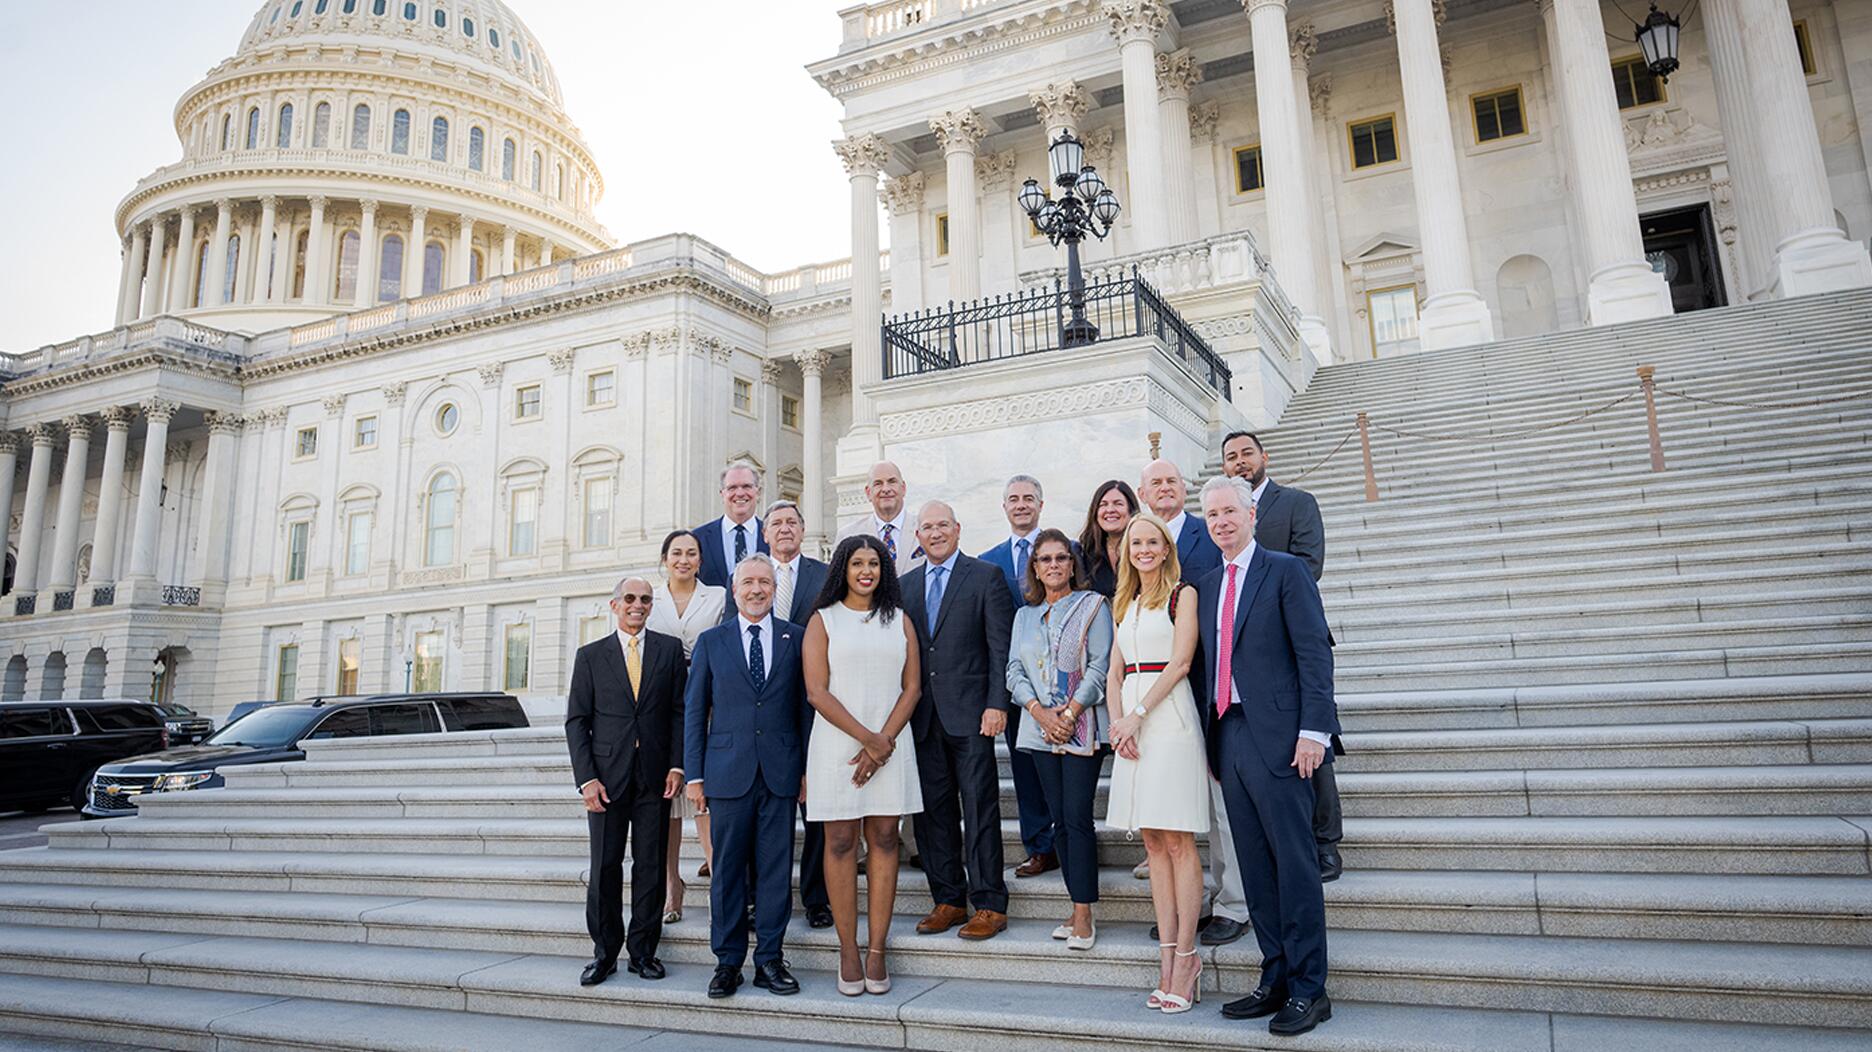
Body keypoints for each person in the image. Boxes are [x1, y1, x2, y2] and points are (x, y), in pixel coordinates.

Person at [1196, 475, 1338, 1036]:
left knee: (1295, 866)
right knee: (1254, 867)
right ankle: (1274, 976)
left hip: (1281, 740)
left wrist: (1314, 732)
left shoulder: (1285, 570)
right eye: (1212, 516)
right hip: (1229, 739)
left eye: (1229, 512)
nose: (1221, 522)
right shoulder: (1206, 585)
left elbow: (1314, 652)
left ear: (1251, 514)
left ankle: (1310, 989)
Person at [801, 534, 923, 996]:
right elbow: (817, 691)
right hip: (838, 744)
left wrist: (882, 742)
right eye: (857, 563)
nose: (866, 570)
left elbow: (911, 688)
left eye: (874, 563)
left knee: (886, 837)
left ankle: (877, 949)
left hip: (890, 740)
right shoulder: (823, 620)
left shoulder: (900, 621)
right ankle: (847, 950)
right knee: (839, 841)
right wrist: (867, 740)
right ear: (843, 570)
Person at [683, 554, 809, 999]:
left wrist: (806, 771)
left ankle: (770, 960)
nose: (756, 590)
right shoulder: (711, 642)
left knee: (775, 871)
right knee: (728, 872)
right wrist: (694, 775)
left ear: (775, 589)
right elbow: (695, 711)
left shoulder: (796, 638)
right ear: (734, 590)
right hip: (726, 773)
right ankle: (727, 962)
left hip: (780, 773)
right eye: (748, 583)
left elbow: (804, 711)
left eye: (765, 583)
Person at [1223, 429, 1342, 882]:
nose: (1239, 462)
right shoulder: (1225, 514)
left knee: (1316, 741)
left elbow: (1310, 564)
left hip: (1292, 635)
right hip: (1246, 648)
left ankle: (1326, 842)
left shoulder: (1296, 502)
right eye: (1231, 457)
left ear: (1264, 456)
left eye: (1246, 453)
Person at [1104, 516, 1209, 1012]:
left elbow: (1182, 662)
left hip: (1168, 718)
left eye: (1152, 542)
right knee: (1151, 840)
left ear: (1166, 548)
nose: (1144, 549)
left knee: (1177, 838)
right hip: (1131, 722)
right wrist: (1118, 720)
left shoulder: (1181, 594)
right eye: (1136, 543)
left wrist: (1139, 716)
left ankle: (1187, 956)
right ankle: (1166, 954)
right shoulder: (1121, 600)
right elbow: (1113, 670)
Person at [901, 500, 1015, 941]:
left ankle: (989, 902)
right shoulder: (905, 586)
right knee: (934, 814)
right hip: (923, 718)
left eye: (942, 525)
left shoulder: (985, 577)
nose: (934, 533)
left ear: (957, 529)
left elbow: (999, 647)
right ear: (918, 537)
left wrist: (997, 703)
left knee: (980, 808)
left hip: (973, 715)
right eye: (926, 527)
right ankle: (948, 898)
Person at [565, 576, 687, 987]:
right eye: (630, 599)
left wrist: (677, 765)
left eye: (646, 600)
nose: (638, 605)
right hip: (606, 781)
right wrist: (587, 780)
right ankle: (604, 953)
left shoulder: (669, 651)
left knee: (651, 866)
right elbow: (577, 722)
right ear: (614, 605)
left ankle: (643, 952)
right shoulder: (590, 656)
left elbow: (678, 713)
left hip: (655, 777)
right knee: (604, 866)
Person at [726, 500, 834, 928]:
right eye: (776, 523)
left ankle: (817, 897)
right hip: (759, 709)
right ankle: (757, 899)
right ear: (764, 533)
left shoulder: (823, 576)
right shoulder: (747, 577)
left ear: (802, 531)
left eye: (792, 522)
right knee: (760, 814)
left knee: (818, 812)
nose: (784, 529)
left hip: (813, 703)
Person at [1006, 528, 1112, 951]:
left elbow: (1101, 666)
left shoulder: (1093, 607)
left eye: (1061, 558)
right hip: (1038, 730)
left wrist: (1068, 713)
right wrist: (1039, 712)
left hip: (1081, 728)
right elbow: (1014, 669)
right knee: (1059, 822)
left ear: (1072, 564)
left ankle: (1085, 912)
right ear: (1035, 567)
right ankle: (1074, 904)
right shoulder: (1024, 616)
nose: (1053, 565)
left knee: (1077, 818)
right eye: (1045, 559)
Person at [976, 474, 1058, 879]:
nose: (1021, 504)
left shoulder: (1065, 550)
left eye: (1029, 497)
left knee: (1066, 768)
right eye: (1014, 499)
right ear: (1004, 507)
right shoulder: (988, 561)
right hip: (1016, 686)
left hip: (1064, 684)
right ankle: (1040, 846)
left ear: (1041, 504)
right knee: (1025, 769)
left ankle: (1073, 838)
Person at [645, 529, 727, 918]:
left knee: (703, 797)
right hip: (660, 706)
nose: (683, 559)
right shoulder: (650, 598)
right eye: (676, 553)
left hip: (708, 702)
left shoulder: (718, 597)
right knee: (668, 802)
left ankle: (720, 886)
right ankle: (670, 886)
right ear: (665, 559)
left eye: (691, 553)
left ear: (700, 560)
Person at [1139, 459, 1223, 583]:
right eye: (1156, 483)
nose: (1165, 488)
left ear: (1184, 489)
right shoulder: (1134, 541)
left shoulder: (1211, 533)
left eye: (1171, 481)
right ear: (1142, 494)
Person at [835, 460, 921, 576]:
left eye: (892, 481)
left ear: (903, 488)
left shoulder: (925, 530)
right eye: (878, 483)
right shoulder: (847, 535)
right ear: (868, 492)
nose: (886, 489)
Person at [692, 461, 768, 589]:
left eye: (747, 486)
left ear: (758, 492)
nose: (739, 493)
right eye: (732, 488)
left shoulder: (772, 536)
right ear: (722, 494)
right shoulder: (698, 538)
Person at [1075, 479, 1138, 597]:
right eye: (1103, 505)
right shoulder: (1085, 554)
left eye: (1118, 503)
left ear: (1131, 510)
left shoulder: (1144, 550)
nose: (1110, 510)